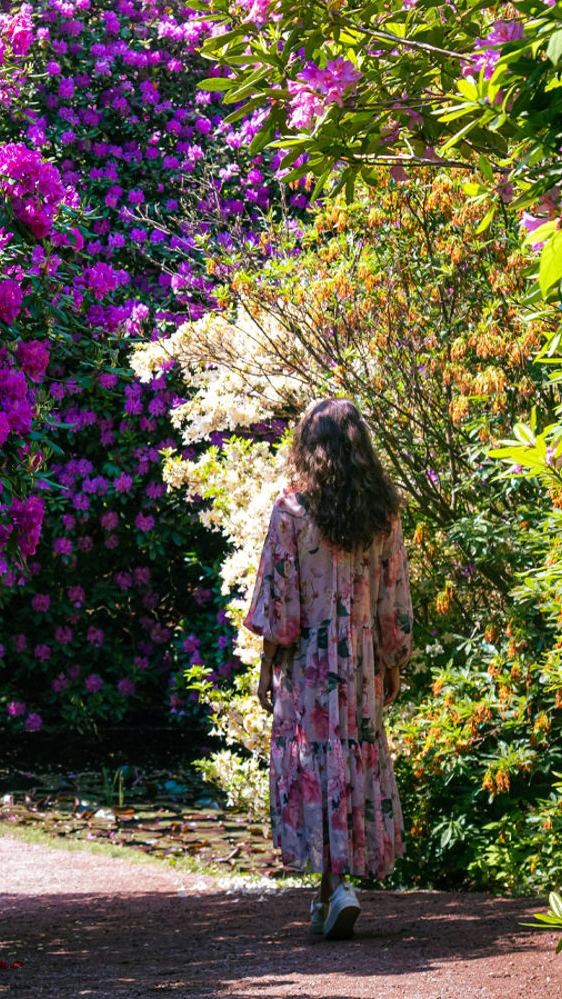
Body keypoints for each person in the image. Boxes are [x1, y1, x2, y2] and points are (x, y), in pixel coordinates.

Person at [246, 398, 413, 939]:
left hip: (310, 665)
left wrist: (268, 663)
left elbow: (280, 603)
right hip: (359, 663)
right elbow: (395, 600)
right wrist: (391, 661)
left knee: (317, 764)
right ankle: (333, 890)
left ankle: (335, 886)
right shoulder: (382, 514)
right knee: (350, 756)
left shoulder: (292, 512)